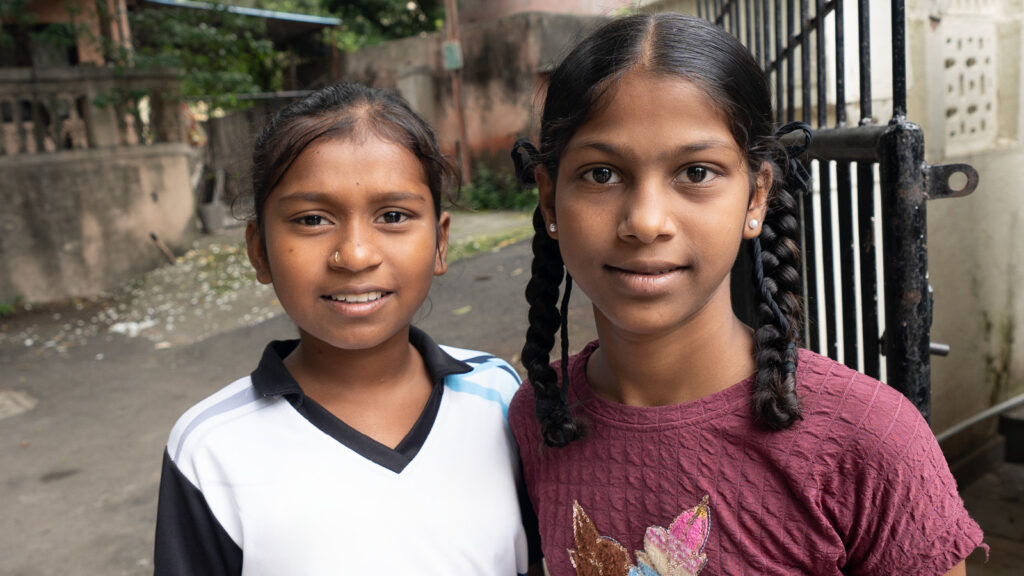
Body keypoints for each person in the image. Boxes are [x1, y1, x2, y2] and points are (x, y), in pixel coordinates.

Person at [508, 13, 985, 576]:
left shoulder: (871, 442)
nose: (645, 222)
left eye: (697, 172)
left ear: (756, 197)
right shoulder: (538, 420)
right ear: (549, 199)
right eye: (601, 175)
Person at [154, 83, 532, 575]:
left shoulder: (499, 395)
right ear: (260, 250)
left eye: (393, 216)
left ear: (440, 243)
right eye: (312, 219)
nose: (354, 255)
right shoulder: (209, 449)